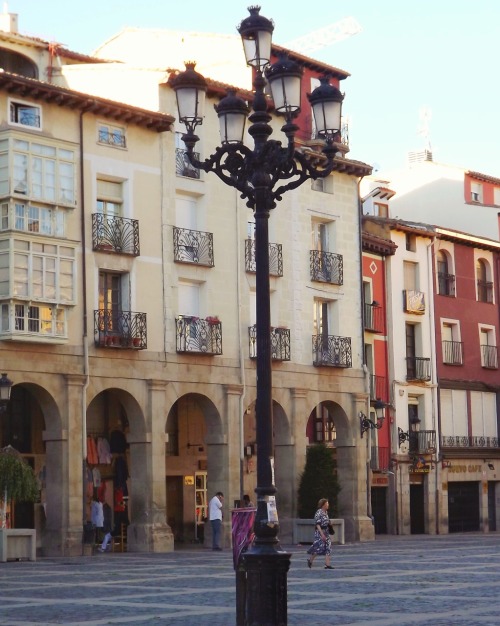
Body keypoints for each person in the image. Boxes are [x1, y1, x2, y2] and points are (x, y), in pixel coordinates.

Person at [306, 498, 334, 569]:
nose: (328, 505)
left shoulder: (326, 512)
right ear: (323, 505)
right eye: (327, 504)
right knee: (319, 548)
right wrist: (322, 534)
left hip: (326, 532)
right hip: (320, 532)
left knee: (328, 548)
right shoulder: (319, 512)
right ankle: (310, 560)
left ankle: (327, 564)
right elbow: (317, 524)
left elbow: (326, 521)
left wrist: (330, 524)